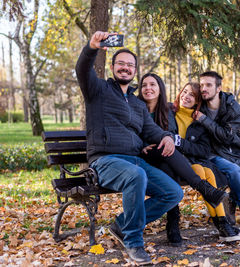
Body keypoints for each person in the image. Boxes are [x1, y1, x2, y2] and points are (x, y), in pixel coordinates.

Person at [75, 31, 183, 265]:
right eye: (121, 64)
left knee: (174, 193)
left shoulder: (137, 103)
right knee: (136, 175)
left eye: (130, 65)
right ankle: (133, 241)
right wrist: (91, 47)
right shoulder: (98, 90)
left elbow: (149, 131)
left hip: (134, 161)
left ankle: (122, 225)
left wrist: (165, 136)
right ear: (113, 67)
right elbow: (82, 70)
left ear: (135, 71)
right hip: (105, 161)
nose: (125, 68)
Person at [138, 73, 240, 244]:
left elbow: (202, 149)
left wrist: (180, 142)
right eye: (184, 92)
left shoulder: (200, 120)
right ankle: (176, 222)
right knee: (194, 170)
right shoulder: (170, 110)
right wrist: (174, 141)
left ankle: (222, 222)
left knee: (205, 170)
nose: (186, 96)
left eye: (192, 95)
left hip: (188, 161)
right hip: (168, 159)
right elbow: (163, 134)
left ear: (198, 101)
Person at [194, 71, 240, 224]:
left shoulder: (232, 107)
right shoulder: (198, 106)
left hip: (232, 151)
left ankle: (233, 200)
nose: (203, 89)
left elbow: (227, 136)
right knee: (235, 171)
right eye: (201, 85)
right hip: (212, 153)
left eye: (208, 85)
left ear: (218, 88)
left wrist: (204, 120)